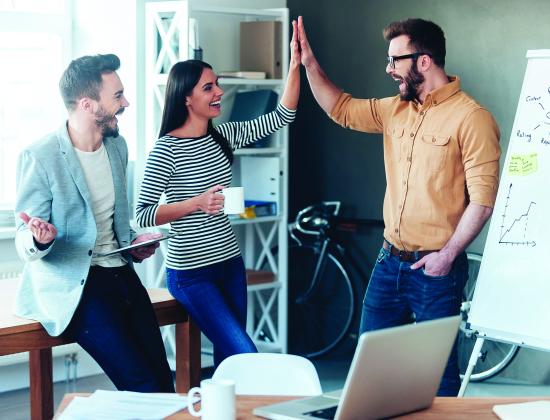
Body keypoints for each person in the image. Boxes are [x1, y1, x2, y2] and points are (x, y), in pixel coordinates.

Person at [296, 16, 501, 395]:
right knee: (370, 372)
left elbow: (483, 201)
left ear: (424, 61)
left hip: (436, 271)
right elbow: (340, 108)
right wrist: (309, 64)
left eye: (395, 60)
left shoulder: (473, 119)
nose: (388, 69)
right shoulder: (394, 109)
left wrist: (447, 256)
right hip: (388, 263)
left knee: (437, 379)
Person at [136, 22, 300, 367]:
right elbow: (143, 214)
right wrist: (196, 203)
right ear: (186, 98)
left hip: (229, 264)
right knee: (245, 353)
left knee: (231, 361)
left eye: (218, 84)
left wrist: (296, 64)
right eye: (208, 87)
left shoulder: (224, 136)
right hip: (191, 274)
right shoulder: (165, 150)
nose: (220, 92)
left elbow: (283, 115)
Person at [14, 54, 174, 392]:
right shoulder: (40, 156)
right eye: (118, 96)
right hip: (78, 284)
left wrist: (134, 243)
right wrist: (40, 239)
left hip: (119, 271)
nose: (126, 103)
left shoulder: (117, 147)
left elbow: (114, 221)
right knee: (142, 383)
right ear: (87, 104)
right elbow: (24, 237)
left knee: (162, 379)